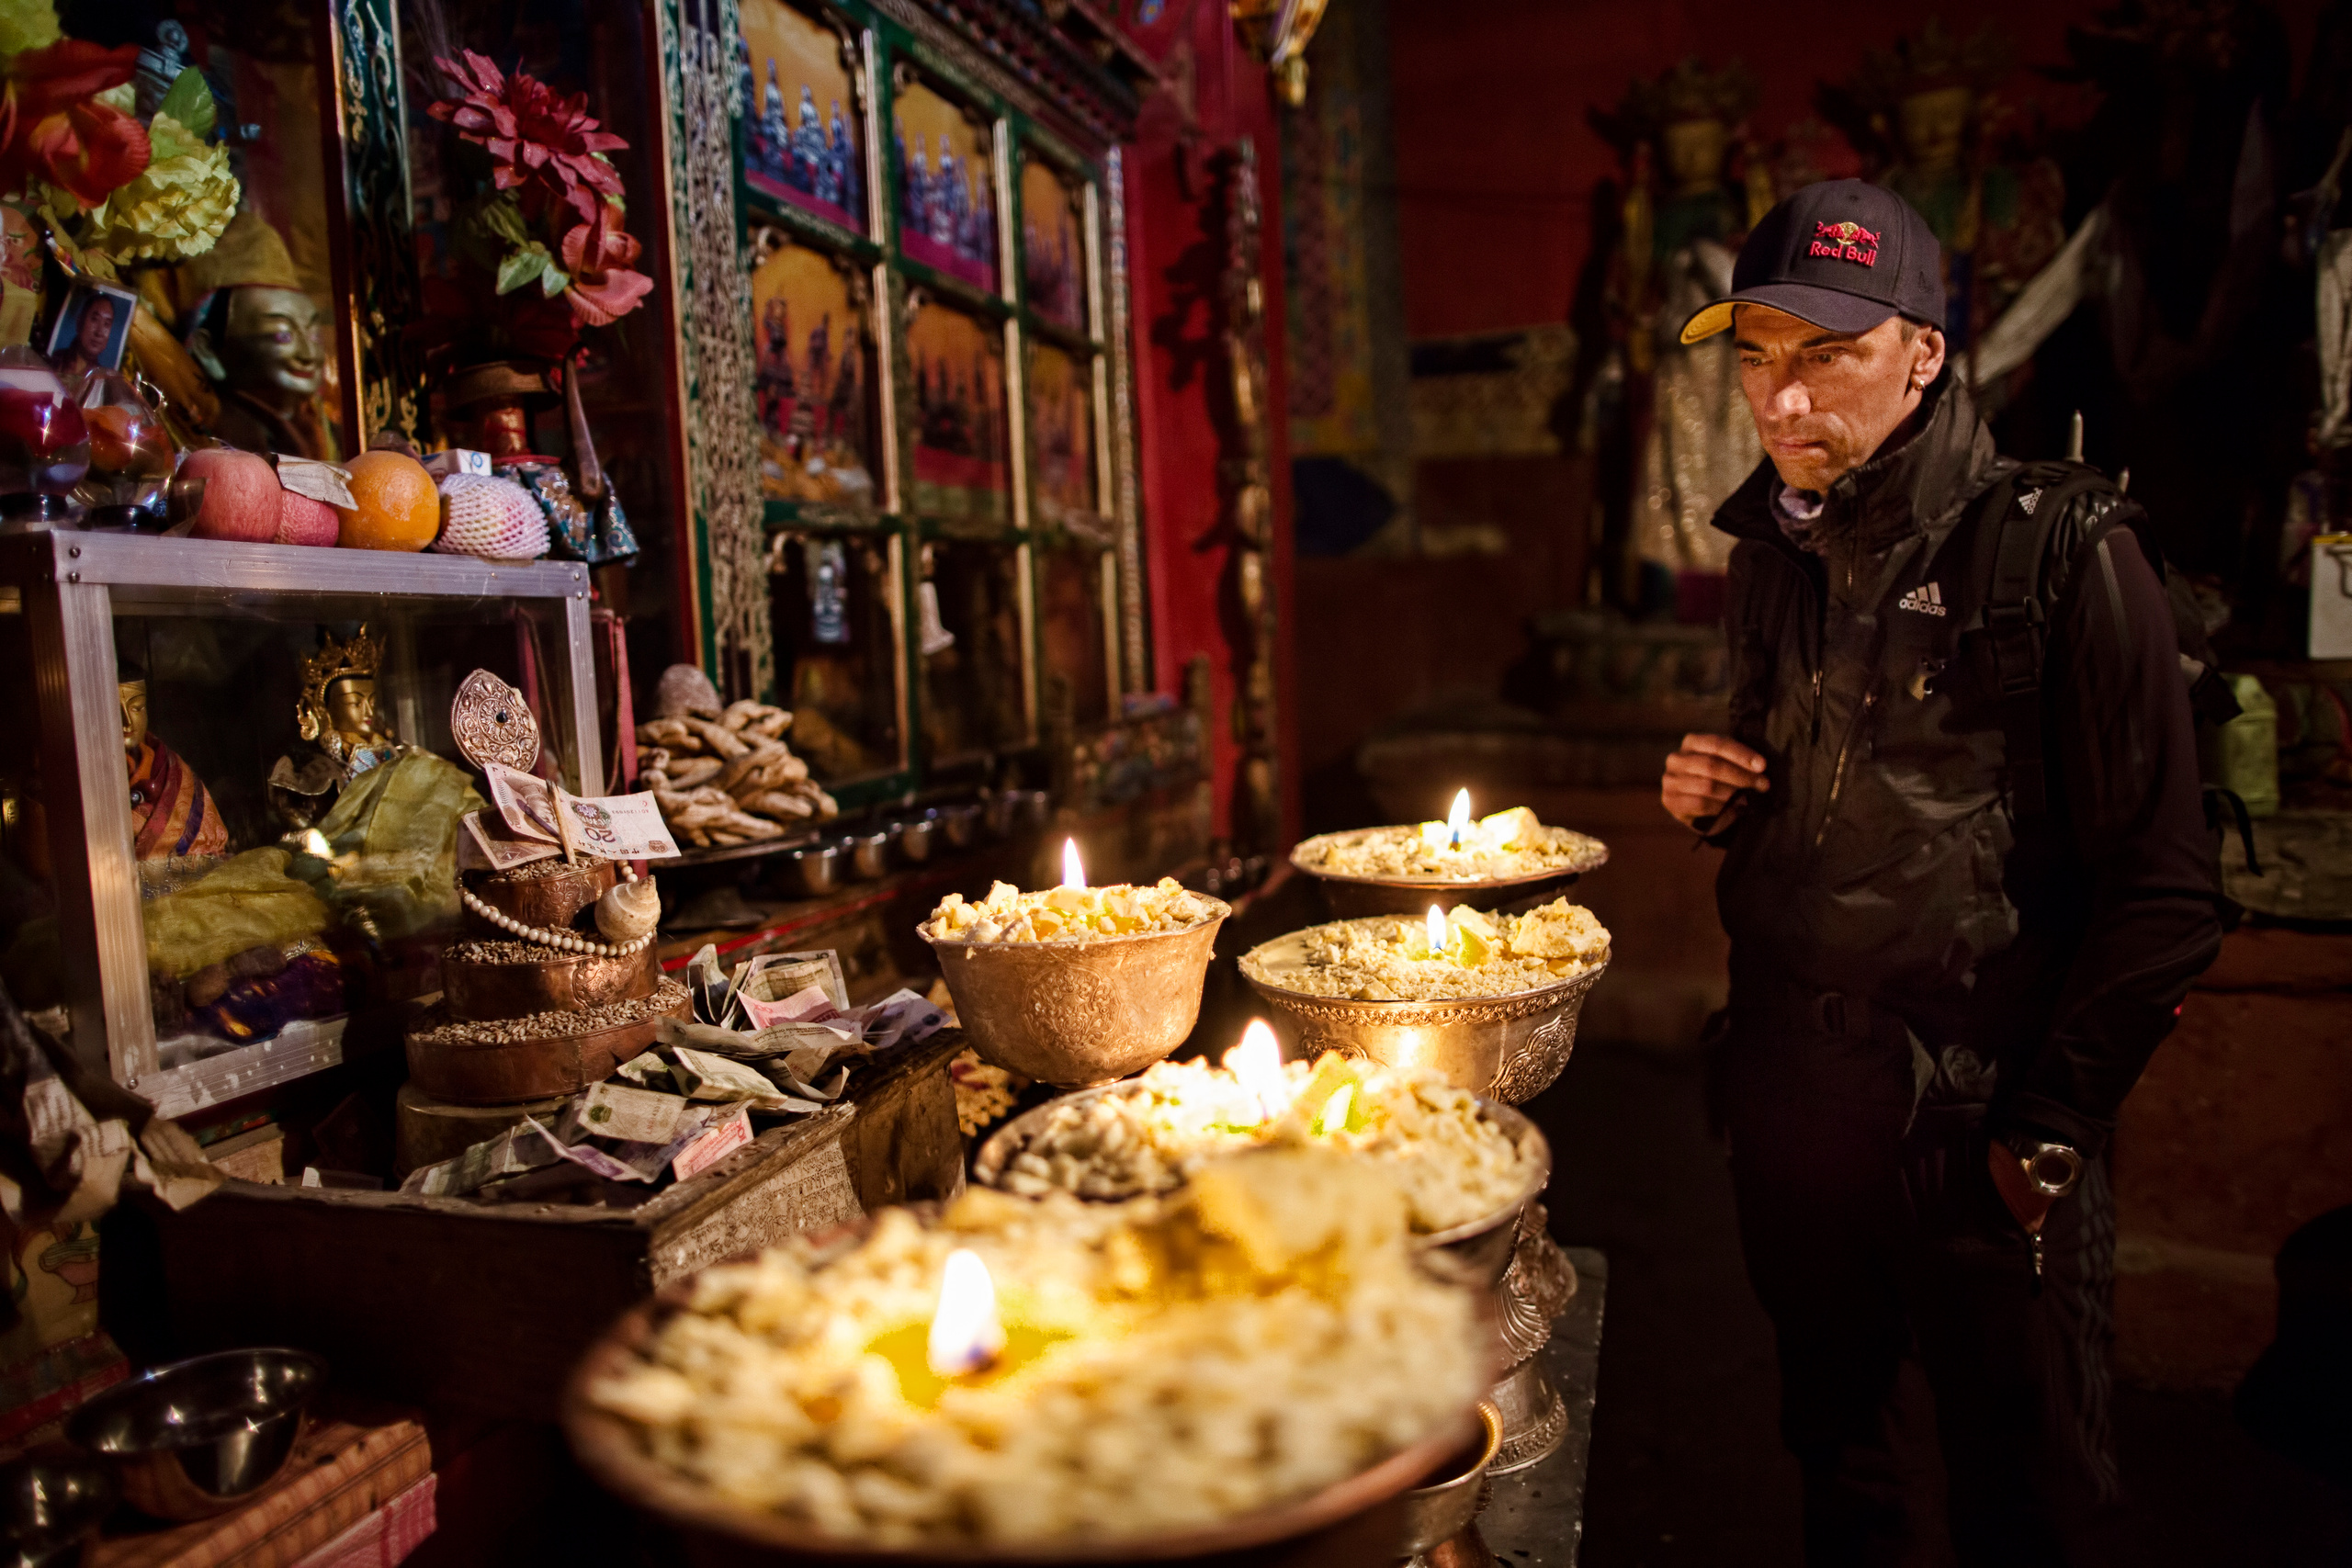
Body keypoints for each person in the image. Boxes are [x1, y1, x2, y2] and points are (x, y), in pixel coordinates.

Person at [1657, 179, 2222, 1566]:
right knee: (1845, 1470)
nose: (1781, 402)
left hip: (1975, 1116)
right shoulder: (1773, 553)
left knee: (2028, 1494)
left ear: (1924, 353)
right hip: (1800, 1102)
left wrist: (2037, 1151)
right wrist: (1718, 798)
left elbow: (2166, 894)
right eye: (1755, 357)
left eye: (1826, 355)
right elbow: (1819, 795)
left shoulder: (2063, 551)